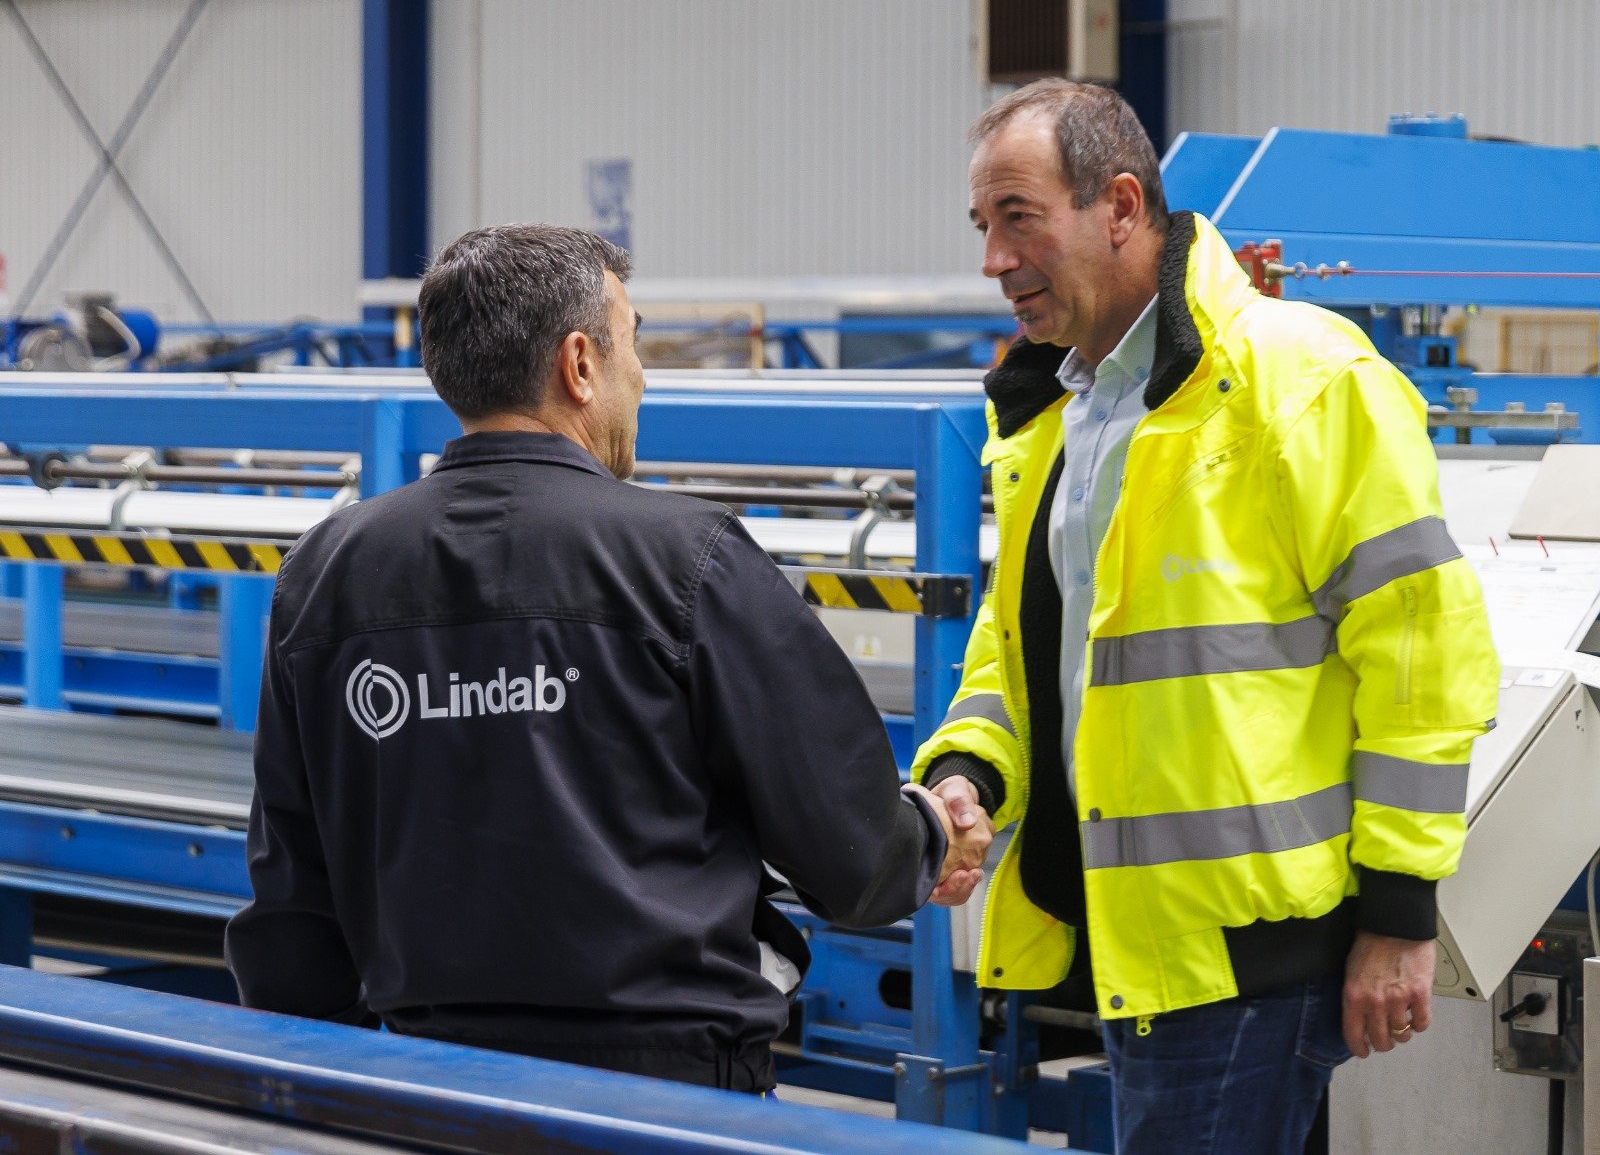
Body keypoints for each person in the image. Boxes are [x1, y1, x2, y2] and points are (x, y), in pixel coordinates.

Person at [226, 224, 978, 1094]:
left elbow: (293, 901)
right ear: (579, 364)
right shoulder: (689, 559)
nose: (642, 375)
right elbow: (850, 852)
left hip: (428, 1085)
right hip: (671, 1096)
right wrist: (932, 836)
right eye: (633, 344)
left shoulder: (324, 573)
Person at [912, 81, 1500, 1154]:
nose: (994, 259)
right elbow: (1022, 650)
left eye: (1019, 218)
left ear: (1120, 205)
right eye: (982, 225)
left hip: (1247, 961)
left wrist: (1399, 912)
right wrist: (970, 774)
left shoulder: (1301, 381)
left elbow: (1424, 658)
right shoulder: (1062, 413)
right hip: (1133, 944)